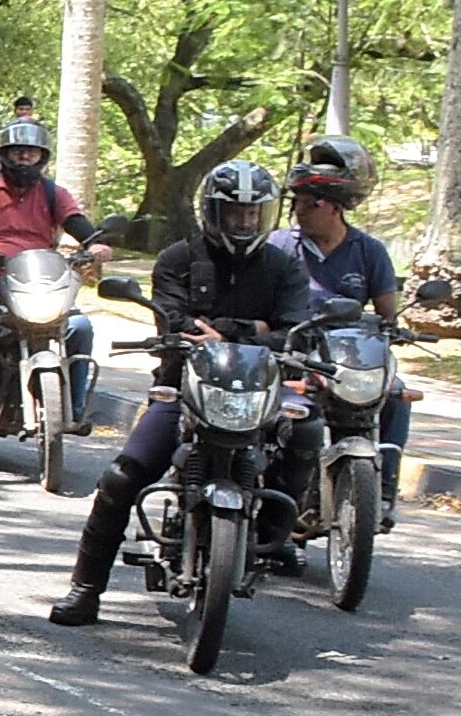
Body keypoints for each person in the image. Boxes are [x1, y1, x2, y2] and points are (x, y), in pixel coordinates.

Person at [50, 160, 312, 626]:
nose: (246, 222)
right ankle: (85, 590)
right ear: (213, 212)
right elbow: (174, 321)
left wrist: (229, 332)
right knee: (121, 477)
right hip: (181, 387)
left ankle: (276, 538)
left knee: (304, 431)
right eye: (236, 213)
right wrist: (255, 329)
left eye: (254, 214)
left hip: (258, 393)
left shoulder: (284, 267)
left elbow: (294, 333)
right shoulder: (177, 259)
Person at [270, 135, 411, 525]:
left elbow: (386, 317)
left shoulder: (369, 251)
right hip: (293, 355)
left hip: (349, 361)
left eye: (307, 204)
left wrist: (393, 331)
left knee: (396, 395)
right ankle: (282, 503)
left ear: (333, 208)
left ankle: (382, 490)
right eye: (295, 202)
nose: (298, 211)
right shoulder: (279, 246)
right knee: (289, 417)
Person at [0, 118, 110, 429]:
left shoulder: (54, 193)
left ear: (42, 157)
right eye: (18, 152)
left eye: (31, 153)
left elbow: (75, 221)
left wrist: (96, 244)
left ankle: (74, 406)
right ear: (5, 154)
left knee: (80, 327)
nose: (24, 158)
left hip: (40, 280)